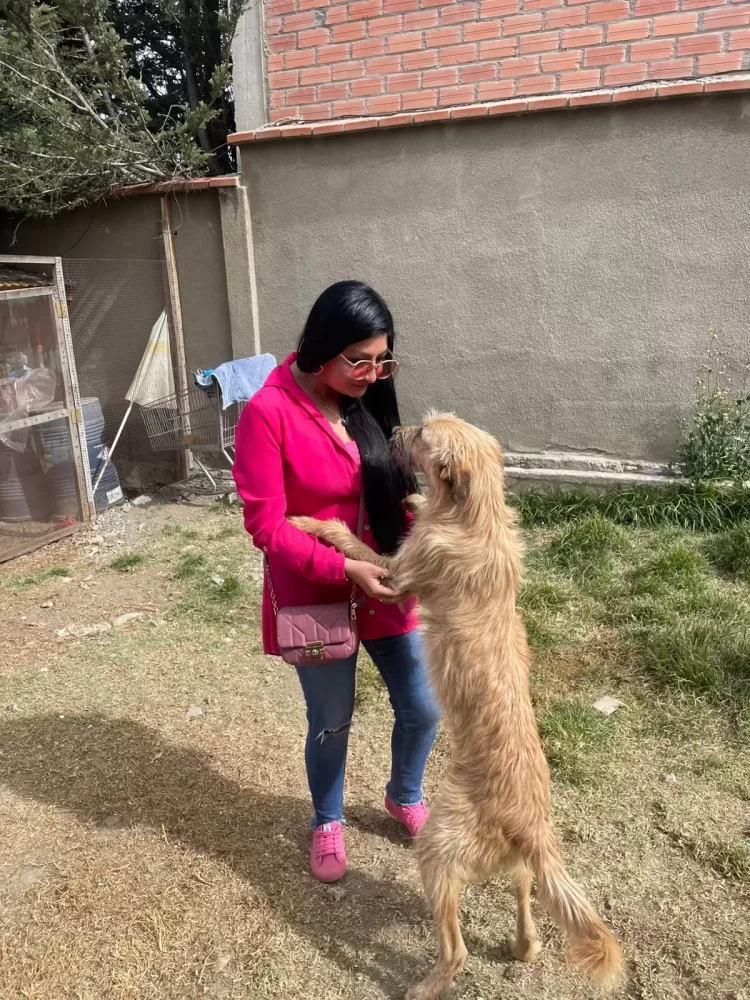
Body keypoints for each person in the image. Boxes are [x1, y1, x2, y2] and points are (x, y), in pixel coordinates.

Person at [233, 281, 441, 883]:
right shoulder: (267, 413)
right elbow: (268, 526)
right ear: (321, 348)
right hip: (317, 590)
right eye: (361, 360)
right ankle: (327, 819)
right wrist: (344, 567)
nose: (375, 374)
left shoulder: (366, 400)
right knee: (331, 719)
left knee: (424, 706)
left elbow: (393, 497)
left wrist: (415, 548)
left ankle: (404, 794)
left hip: (387, 582)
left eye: (384, 360)